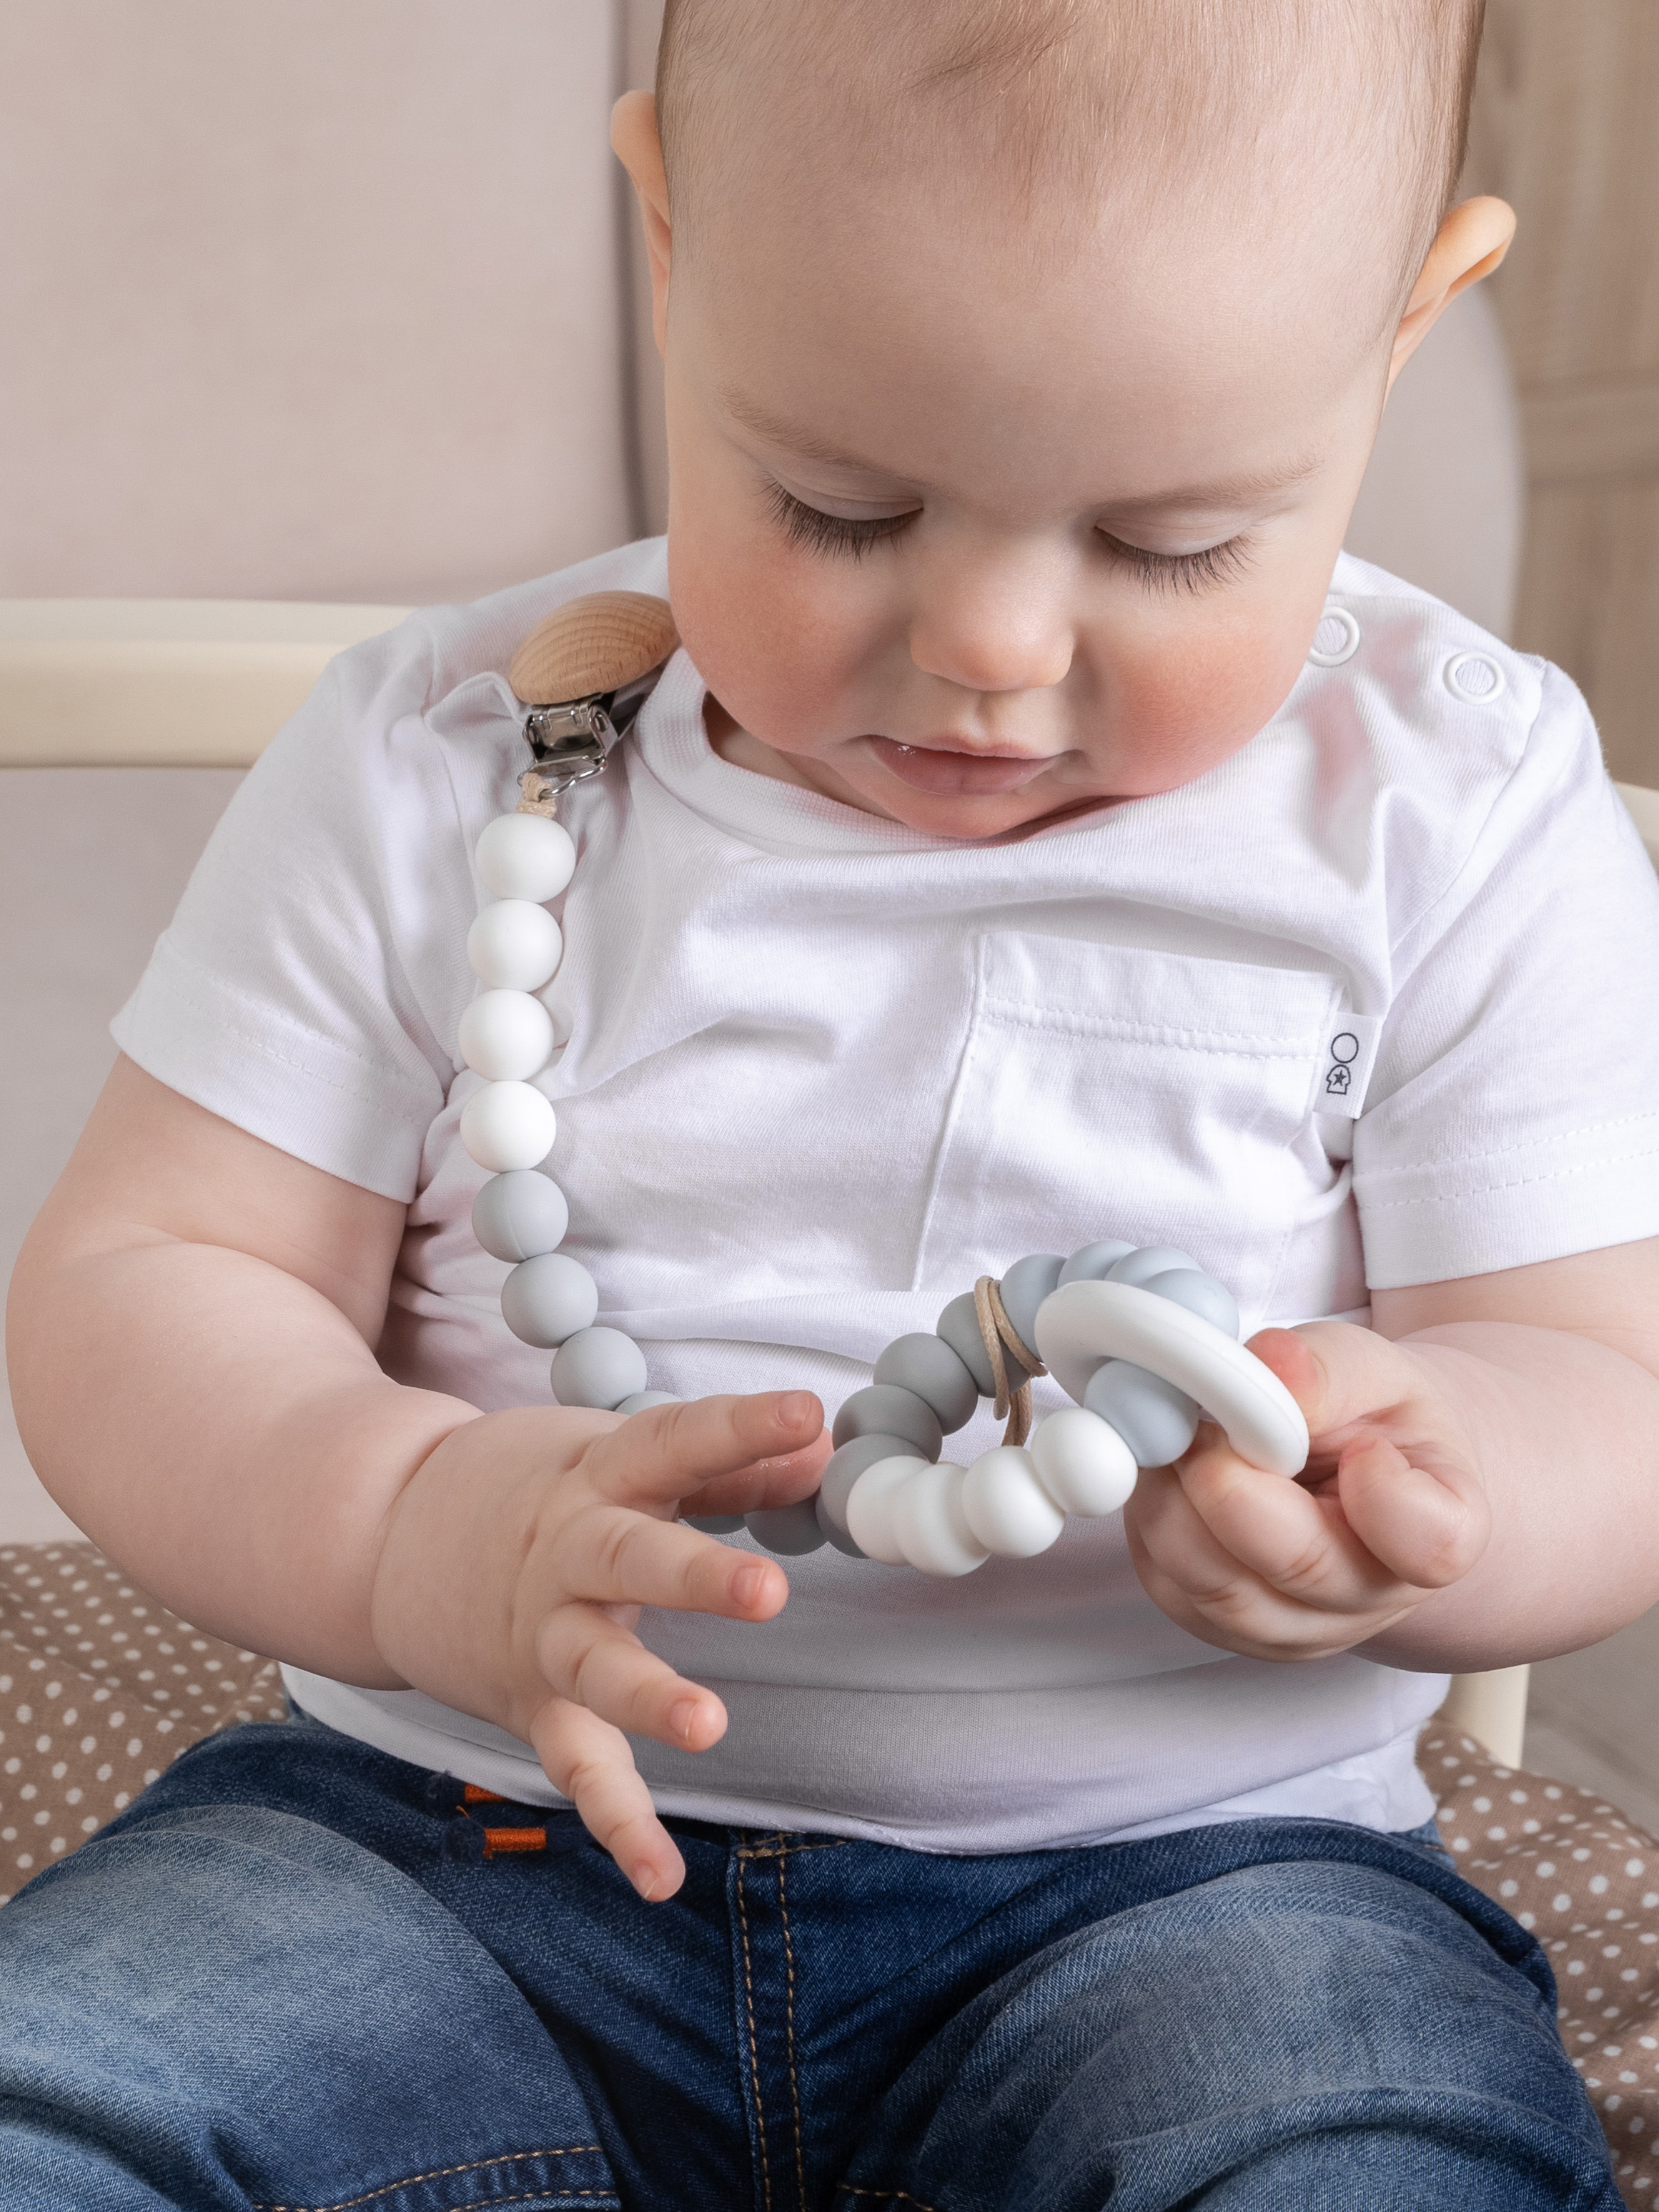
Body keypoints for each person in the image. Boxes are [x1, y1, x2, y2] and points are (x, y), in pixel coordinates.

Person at [4, 1, 1655, 2203]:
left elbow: (1600, 1379)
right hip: (451, 1835)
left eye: (1168, 543)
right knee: (77, 2095)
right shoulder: (439, 756)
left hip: (1197, 1886)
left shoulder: (1450, 799)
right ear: (672, 246)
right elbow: (147, 1277)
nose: (985, 638)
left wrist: (1433, 1496)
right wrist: (396, 1524)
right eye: (836, 502)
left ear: (1397, 334)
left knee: (1360, 2155)